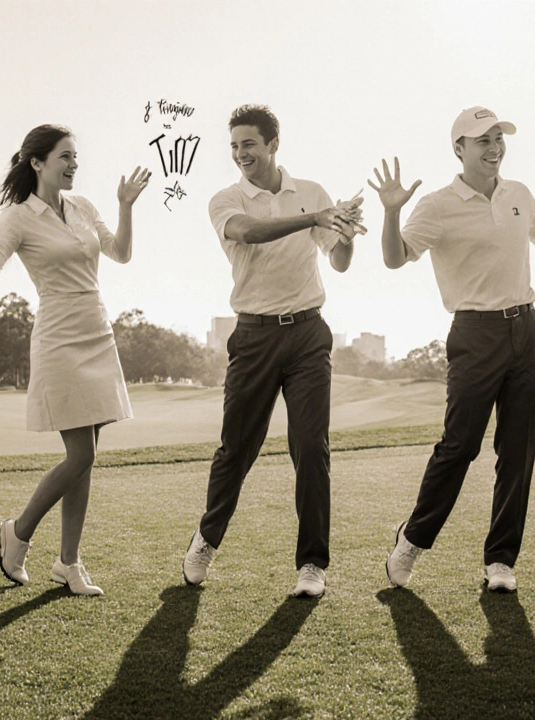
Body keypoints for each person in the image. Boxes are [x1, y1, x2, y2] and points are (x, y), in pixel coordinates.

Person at [377, 106, 535, 593]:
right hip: (474, 333)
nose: (494, 148)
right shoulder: (437, 205)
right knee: (460, 445)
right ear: (459, 149)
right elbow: (394, 258)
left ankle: (500, 561)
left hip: (526, 329)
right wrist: (391, 211)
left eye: (498, 139)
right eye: (482, 140)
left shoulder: (519, 194)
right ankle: (412, 540)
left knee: (517, 450)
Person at [181, 104, 364, 598]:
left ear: (273, 145)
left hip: (307, 333)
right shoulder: (226, 200)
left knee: (310, 448)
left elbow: (339, 261)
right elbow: (249, 232)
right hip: (255, 335)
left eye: (249, 144)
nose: (241, 154)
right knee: (236, 449)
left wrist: (343, 233)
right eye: (235, 146)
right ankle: (206, 540)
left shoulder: (314, 195)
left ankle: (312, 564)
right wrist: (314, 217)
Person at [0, 124, 151, 596]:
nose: (74, 164)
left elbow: (122, 254)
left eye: (76, 157)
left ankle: (68, 563)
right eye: (65, 157)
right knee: (82, 454)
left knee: (86, 459)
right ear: (37, 162)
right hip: (58, 336)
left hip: (97, 329)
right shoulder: (16, 216)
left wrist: (125, 206)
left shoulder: (83, 207)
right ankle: (19, 532)